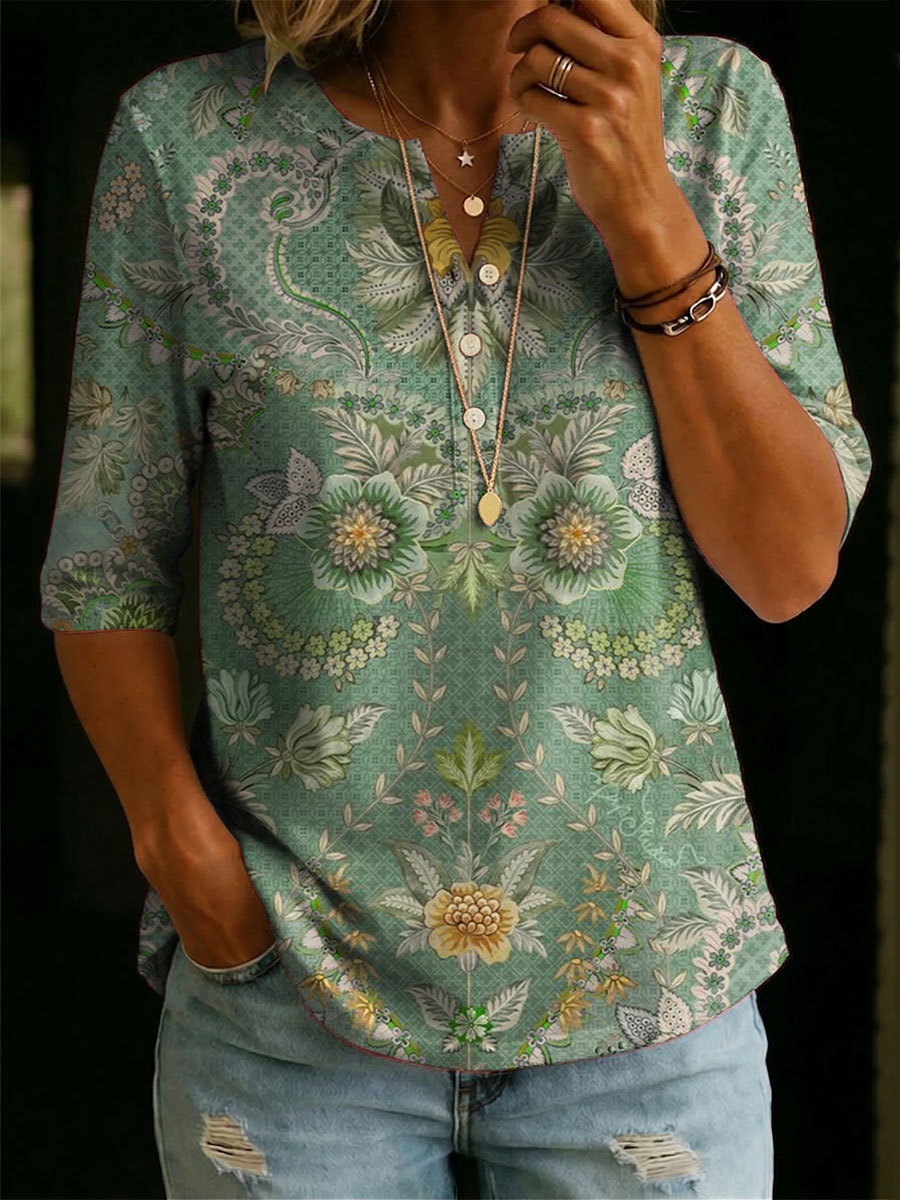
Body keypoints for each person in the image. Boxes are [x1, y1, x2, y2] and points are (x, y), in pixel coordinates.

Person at [39, 0, 872, 1195]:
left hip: (652, 995)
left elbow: (788, 570)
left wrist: (642, 204)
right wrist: (186, 860)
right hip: (291, 999)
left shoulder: (713, 112)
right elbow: (104, 562)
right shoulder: (189, 139)